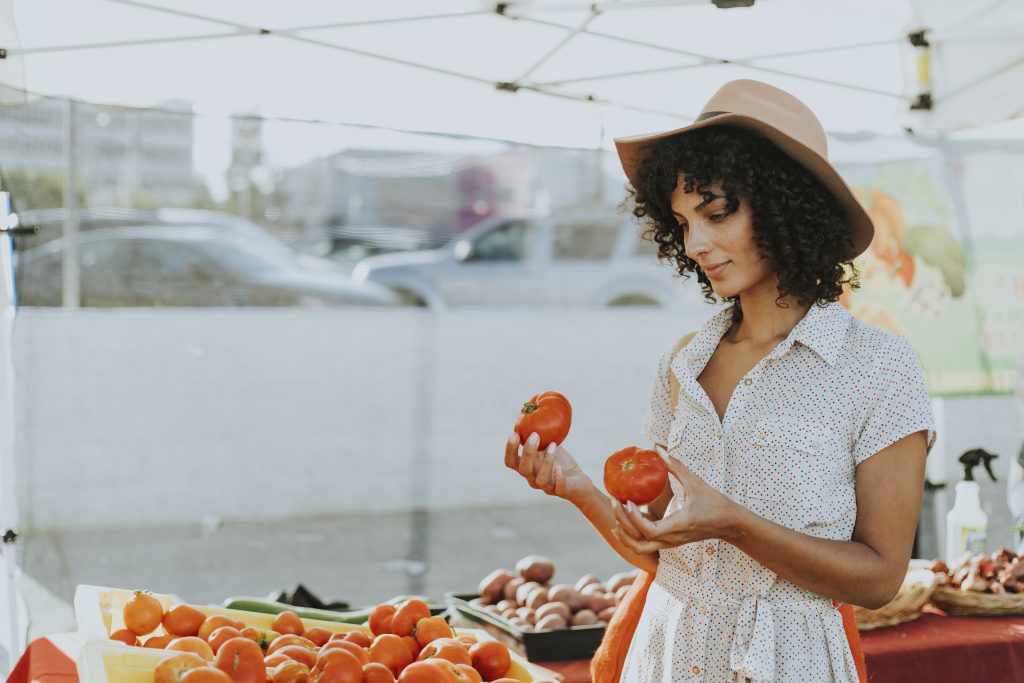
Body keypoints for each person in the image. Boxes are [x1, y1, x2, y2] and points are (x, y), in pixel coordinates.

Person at [504, 80, 936, 682]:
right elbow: (659, 553)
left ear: (786, 205)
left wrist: (735, 523)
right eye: (682, 222)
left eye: (716, 212)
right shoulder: (683, 361)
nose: (696, 243)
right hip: (667, 656)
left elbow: (882, 578)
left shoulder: (877, 367)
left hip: (793, 665)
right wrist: (578, 489)